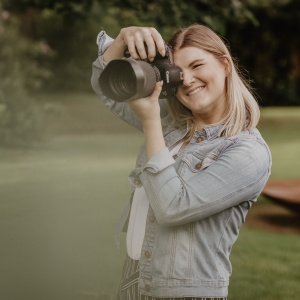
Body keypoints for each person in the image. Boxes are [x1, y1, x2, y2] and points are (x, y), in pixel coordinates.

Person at [91, 25, 272, 300]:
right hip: (135, 281)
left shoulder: (248, 153)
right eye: (178, 71)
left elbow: (172, 207)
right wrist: (123, 39)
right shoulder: (173, 124)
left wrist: (150, 119)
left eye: (197, 65)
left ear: (224, 64)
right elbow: (107, 88)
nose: (187, 80)